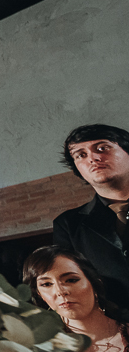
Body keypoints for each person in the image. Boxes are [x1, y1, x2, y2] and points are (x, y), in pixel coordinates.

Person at [53, 124, 129, 310]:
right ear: (78, 170)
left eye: (103, 148)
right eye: (81, 155)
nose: (93, 158)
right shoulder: (68, 224)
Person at [24, 246, 126, 352]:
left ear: (94, 283)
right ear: (40, 295)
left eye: (71, 280)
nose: (60, 291)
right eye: (47, 284)